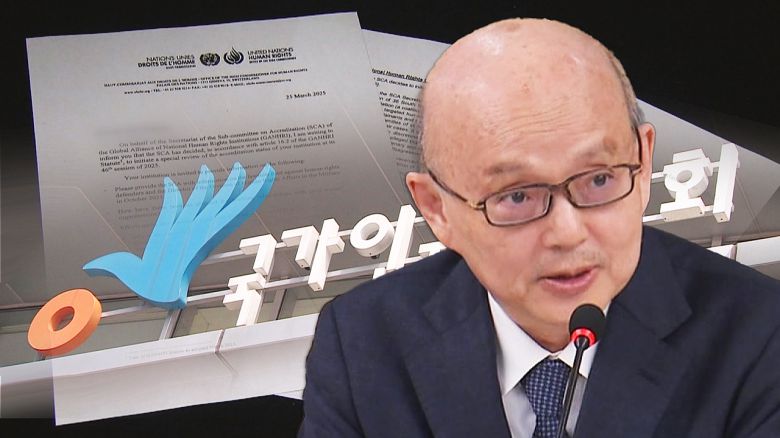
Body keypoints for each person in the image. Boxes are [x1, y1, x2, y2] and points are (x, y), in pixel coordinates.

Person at [298, 18, 780, 437]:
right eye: (517, 196)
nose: (568, 233)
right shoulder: (362, 344)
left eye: (599, 179)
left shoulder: (760, 334)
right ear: (437, 209)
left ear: (644, 161)